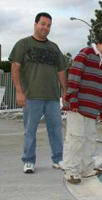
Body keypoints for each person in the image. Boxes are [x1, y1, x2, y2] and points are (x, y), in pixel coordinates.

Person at [9, 12, 68, 173]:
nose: (46, 28)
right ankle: (28, 161)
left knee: (56, 129)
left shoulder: (54, 47)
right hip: (31, 96)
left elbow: (62, 71)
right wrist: (19, 92)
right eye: (43, 24)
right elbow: (15, 67)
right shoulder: (23, 44)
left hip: (52, 97)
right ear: (35, 24)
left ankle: (58, 159)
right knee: (30, 130)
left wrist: (65, 91)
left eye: (49, 25)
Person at [63, 30, 102, 184]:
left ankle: (86, 168)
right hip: (77, 108)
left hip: (92, 110)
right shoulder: (85, 54)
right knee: (76, 139)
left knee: (90, 140)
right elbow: (74, 77)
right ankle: (71, 171)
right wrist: (73, 101)